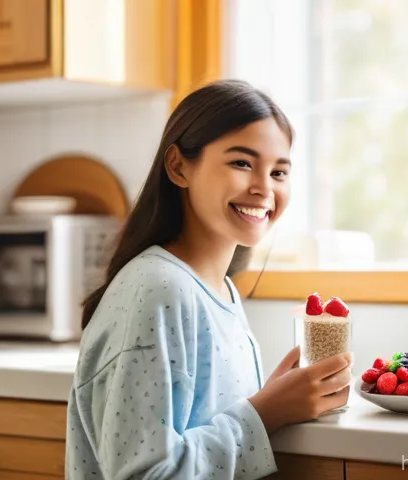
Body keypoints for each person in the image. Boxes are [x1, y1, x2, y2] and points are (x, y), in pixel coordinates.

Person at [65, 79, 353, 479]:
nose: (264, 188)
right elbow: (145, 474)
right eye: (242, 163)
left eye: (279, 172)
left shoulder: (220, 289)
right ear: (179, 167)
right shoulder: (159, 289)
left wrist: (271, 400)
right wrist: (264, 413)